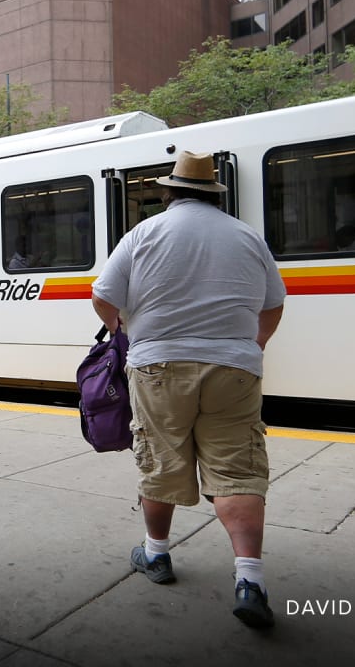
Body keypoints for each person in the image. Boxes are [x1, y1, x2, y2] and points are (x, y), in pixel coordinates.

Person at [91, 151, 287, 630]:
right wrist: (251, 344)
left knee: (161, 457)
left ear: (168, 192)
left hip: (158, 365)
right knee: (237, 467)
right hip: (234, 368)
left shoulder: (144, 233)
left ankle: (156, 554)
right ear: (214, 194)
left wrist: (122, 329)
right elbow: (274, 304)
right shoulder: (247, 237)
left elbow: (103, 295)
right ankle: (250, 580)